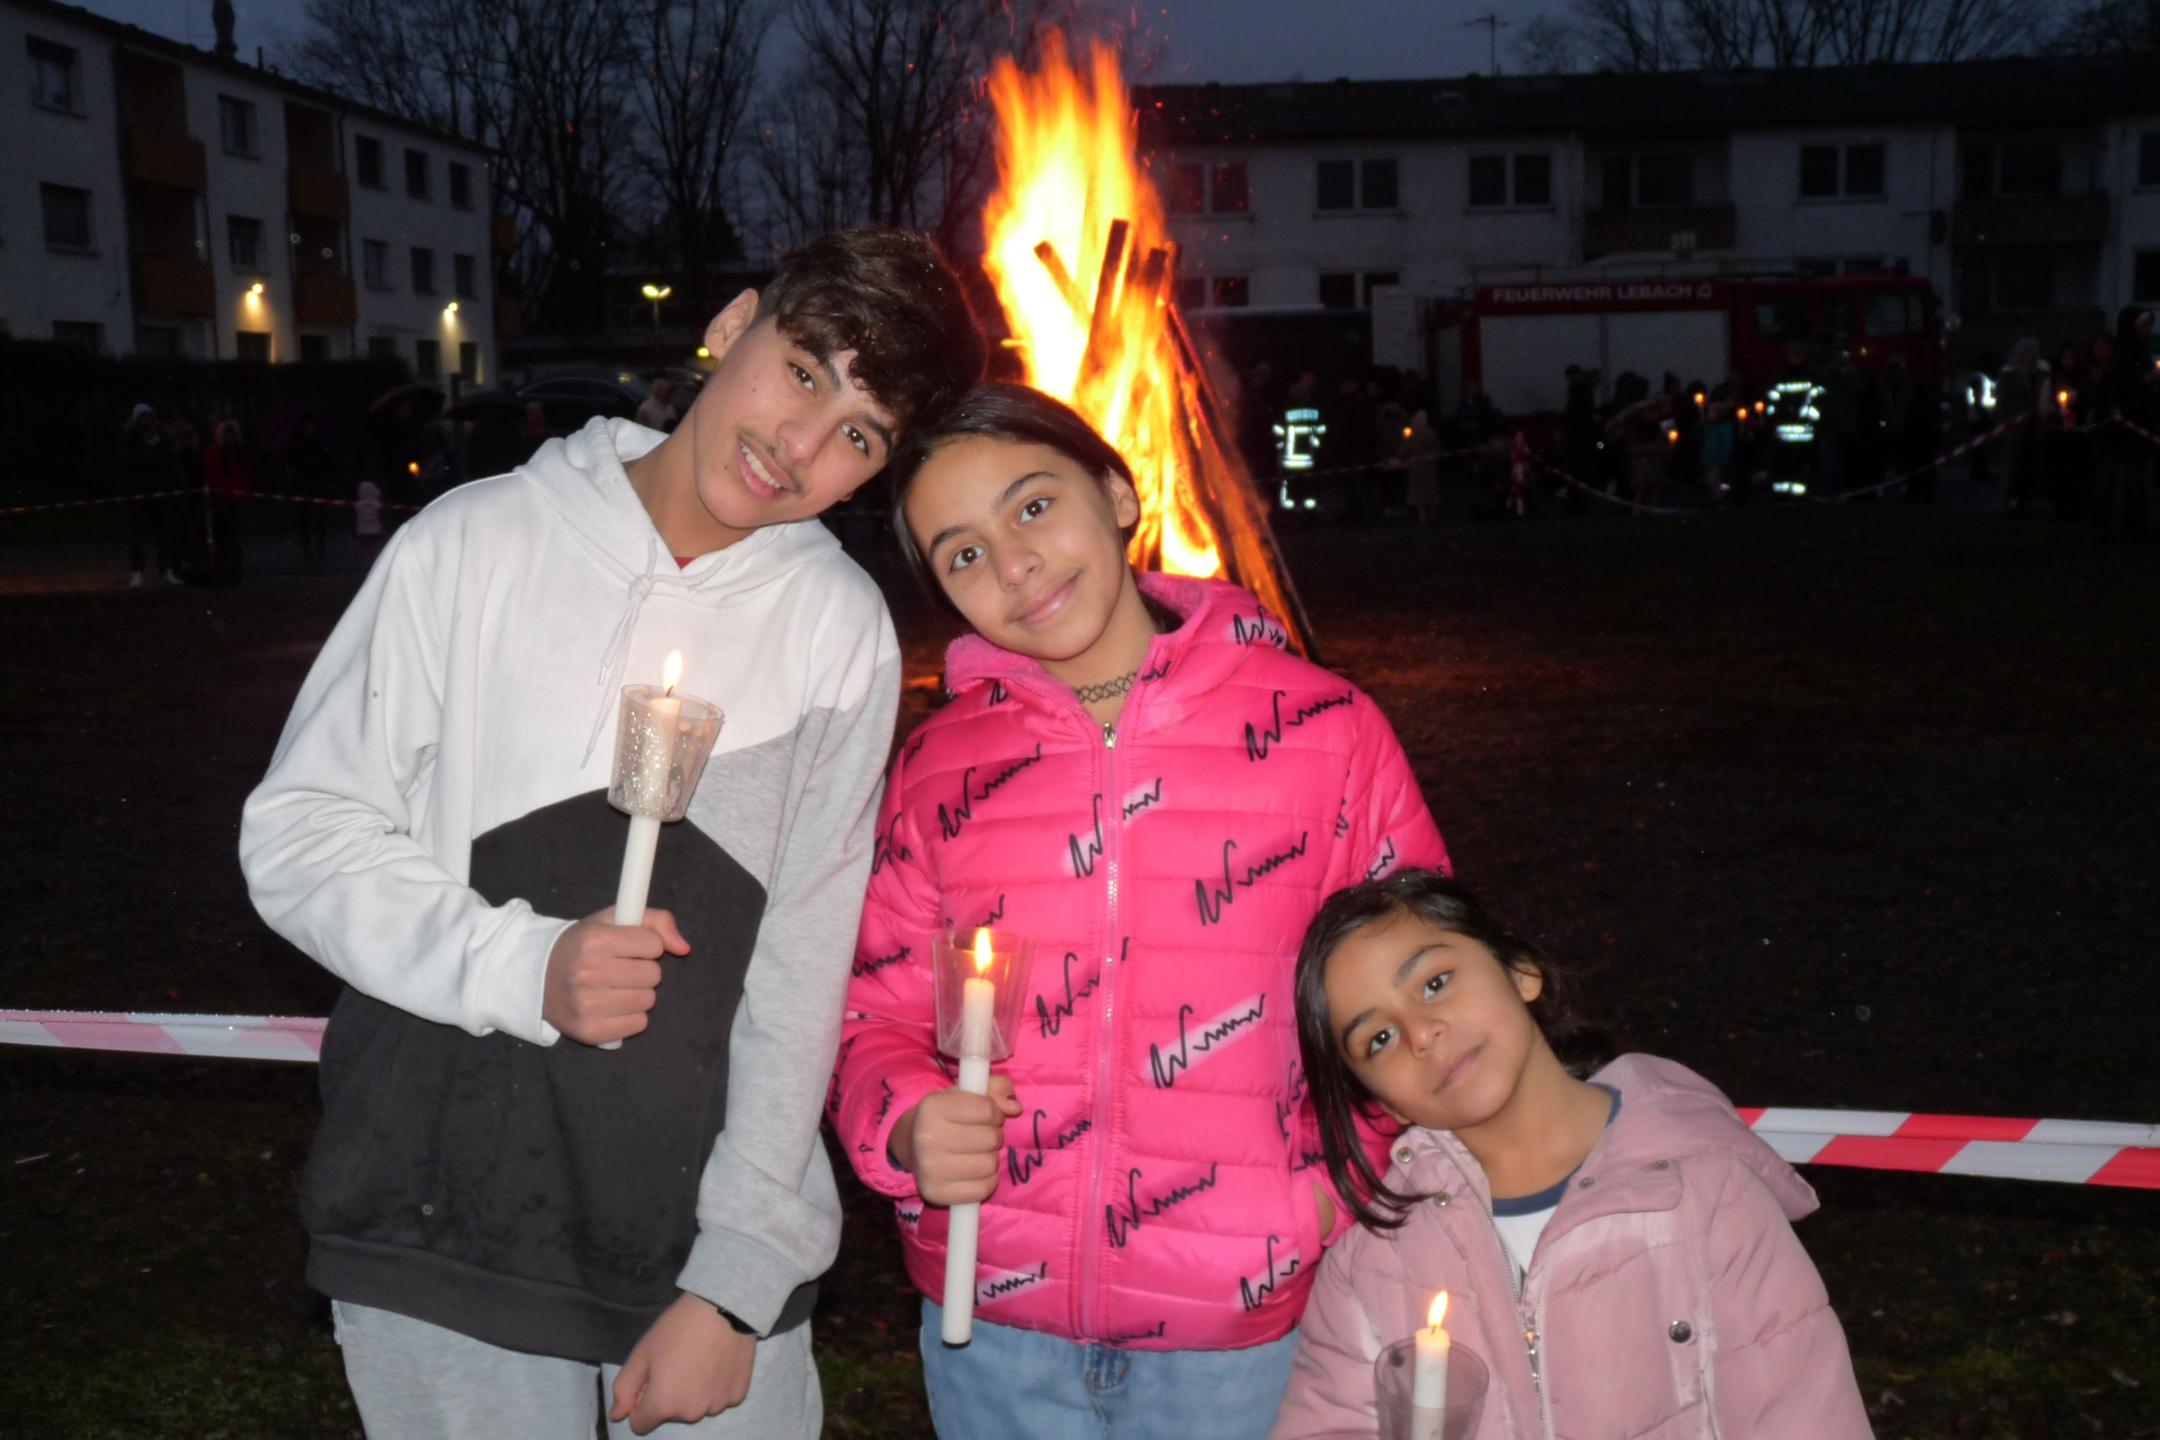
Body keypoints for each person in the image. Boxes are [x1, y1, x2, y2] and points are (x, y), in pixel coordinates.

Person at [239, 227, 986, 1440]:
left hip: (695, 1254)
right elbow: (303, 833)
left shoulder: (836, 632)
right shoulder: (468, 547)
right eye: (803, 370)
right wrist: (519, 964)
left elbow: (803, 971)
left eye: (860, 433)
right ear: (733, 323)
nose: (801, 447)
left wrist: (737, 1283)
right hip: (443, 1222)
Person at [828, 382, 1449, 1440]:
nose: (1014, 565)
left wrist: (1324, 1202)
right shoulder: (937, 767)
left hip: (1246, 1343)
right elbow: (868, 1019)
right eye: (963, 553)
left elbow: (1426, 1001)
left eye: (1033, 507)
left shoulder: (1324, 729)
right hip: (996, 1335)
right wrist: (908, 1123)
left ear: (1118, 494)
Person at [1270, 870, 1872, 1439]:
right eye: (1379, 1039)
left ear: (1521, 971)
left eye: (1435, 983)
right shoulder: (1368, 1271)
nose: (1421, 1033)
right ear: (1384, 1103)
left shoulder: (1706, 1195)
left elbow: (1802, 1417)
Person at [119, 403, 181, 586]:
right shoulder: (129, 437)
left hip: (159, 492)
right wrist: (149, 454)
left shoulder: (161, 436)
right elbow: (129, 461)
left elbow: (169, 460)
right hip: (138, 493)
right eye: (143, 416)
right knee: (137, 535)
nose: (147, 419)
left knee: (163, 534)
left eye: (149, 416)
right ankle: (137, 571)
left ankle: (166, 570)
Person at [203, 418, 255, 582]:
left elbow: (246, 475)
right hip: (221, 499)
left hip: (234, 498)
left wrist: (242, 492)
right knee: (224, 533)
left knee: (232, 533)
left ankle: (231, 565)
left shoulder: (238, 453)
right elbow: (212, 474)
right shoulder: (215, 452)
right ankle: (226, 565)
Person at [285, 416, 334, 564]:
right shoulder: (297, 443)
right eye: (307, 426)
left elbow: (327, 463)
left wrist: (327, 481)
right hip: (303, 485)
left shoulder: (320, 443)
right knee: (304, 519)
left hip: (318, 484)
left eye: (311, 426)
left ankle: (320, 547)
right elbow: (291, 464)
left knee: (320, 518)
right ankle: (307, 549)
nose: (309, 429)